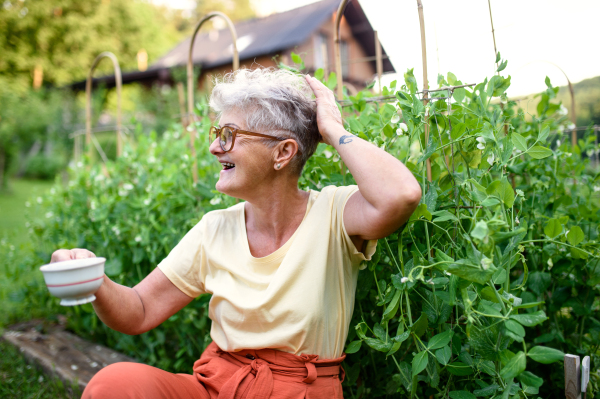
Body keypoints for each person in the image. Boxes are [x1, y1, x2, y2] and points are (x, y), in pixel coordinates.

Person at [51, 68, 422, 398]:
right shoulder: (215, 228)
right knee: (114, 385)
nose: (214, 147)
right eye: (216, 134)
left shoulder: (334, 214)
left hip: (300, 392)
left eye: (228, 135)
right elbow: (140, 311)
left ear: (283, 153)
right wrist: (95, 280)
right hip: (216, 385)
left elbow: (401, 195)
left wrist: (333, 130)